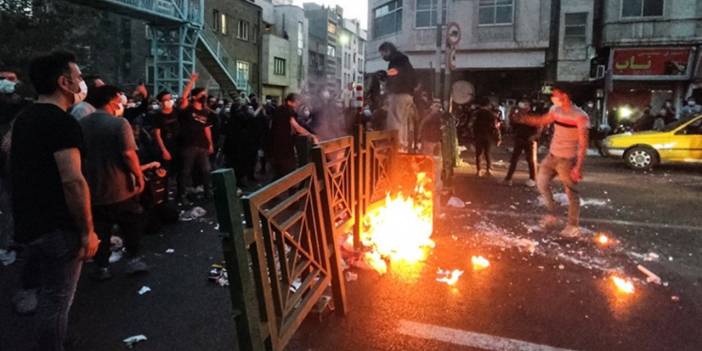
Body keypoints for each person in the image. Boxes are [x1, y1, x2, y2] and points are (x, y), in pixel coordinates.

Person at [10, 51, 99, 350]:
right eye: (78, 77)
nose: (81, 83)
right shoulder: (62, 123)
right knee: (57, 299)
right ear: (64, 82)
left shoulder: (24, 118)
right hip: (58, 227)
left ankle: (57, 337)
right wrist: (88, 231)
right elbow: (72, 180)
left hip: (30, 222)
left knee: (49, 293)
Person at [80, 85, 148, 280]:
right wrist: (138, 176)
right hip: (120, 187)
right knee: (131, 224)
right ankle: (133, 260)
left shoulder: (82, 124)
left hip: (93, 187)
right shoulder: (119, 124)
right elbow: (128, 154)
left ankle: (101, 267)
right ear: (111, 100)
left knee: (101, 229)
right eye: (119, 97)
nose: (122, 101)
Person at [515, 86, 589, 238]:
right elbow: (542, 120)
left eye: (555, 94)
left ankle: (572, 225)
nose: (553, 97)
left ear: (565, 95)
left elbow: (583, 144)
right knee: (541, 184)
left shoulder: (580, 116)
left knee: (571, 193)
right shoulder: (556, 110)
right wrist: (524, 118)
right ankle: (553, 215)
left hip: (568, 159)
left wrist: (578, 167)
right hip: (552, 156)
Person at [177, 73, 214, 204]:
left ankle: (207, 193)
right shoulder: (188, 109)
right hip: (189, 144)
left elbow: (207, 128)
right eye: (202, 94)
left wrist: (210, 144)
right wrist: (192, 81)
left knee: (206, 171)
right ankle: (182, 195)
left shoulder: (205, 112)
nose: (205, 96)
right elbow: (184, 97)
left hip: (202, 145)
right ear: (195, 97)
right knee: (185, 172)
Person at [269, 93, 319, 179]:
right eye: (297, 101)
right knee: (288, 169)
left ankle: (278, 186)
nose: (298, 104)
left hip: (275, 143)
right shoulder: (288, 110)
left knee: (279, 170)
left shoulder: (279, 109)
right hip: (284, 144)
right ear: (290, 102)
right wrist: (312, 136)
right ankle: (289, 188)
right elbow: (297, 127)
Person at [379, 42, 418, 151]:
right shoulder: (405, 60)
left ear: (387, 50)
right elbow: (414, 79)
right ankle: (403, 146)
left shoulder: (396, 59)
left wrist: (386, 74)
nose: (382, 57)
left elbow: (396, 71)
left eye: (383, 54)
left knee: (394, 120)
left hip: (399, 94)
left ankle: (395, 146)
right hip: (409, 96)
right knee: (403, 121)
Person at [504, 98, 540, 186]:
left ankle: (532, 179)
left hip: (529, 140)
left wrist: (534, 136)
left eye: (525, 105)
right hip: (519, 139)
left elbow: (538, 128)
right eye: (522, 105)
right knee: (514, 159)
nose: (523, 108)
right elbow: (513, 125)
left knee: (530, 160)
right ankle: (508, 178)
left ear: (529, 107)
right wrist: (512, 113)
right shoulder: (518, 115)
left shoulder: (532, 116)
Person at [152, 90, 180, 178]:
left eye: (170, 99)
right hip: (166, 146)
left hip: (179, 145)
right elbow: (157, 134)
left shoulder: (177, 112)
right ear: (160, 102)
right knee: (166, 171)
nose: (169, 101)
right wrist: (164, 150)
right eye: (166, 99)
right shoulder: (157, 116)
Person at [472, 97, 500, 177]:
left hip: (479, 136)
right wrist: (498, 138)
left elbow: (472, 125)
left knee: (478, 153)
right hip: (488, 136)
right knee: (487, 153)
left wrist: (474, 135)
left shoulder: (476, 113)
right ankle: (489, 170)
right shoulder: (491, 115)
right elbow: (495, 127)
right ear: (488, 105)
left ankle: (479, 170)